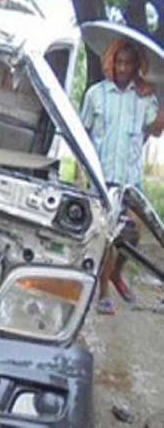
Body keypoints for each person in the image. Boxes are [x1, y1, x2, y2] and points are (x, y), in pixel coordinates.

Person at [81, 37, 164, 315]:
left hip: (131, 181)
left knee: (132, 236)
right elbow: (82, 134)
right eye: (119, 62)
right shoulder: (95, 94)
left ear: (136, 66)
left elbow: (155, 130)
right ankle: (103, 293)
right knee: (107, 238)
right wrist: (83, 176)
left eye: (128, 63)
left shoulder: (144, 97)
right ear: (111, 63)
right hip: (102, 180)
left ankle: (116, 274)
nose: (123, 68)